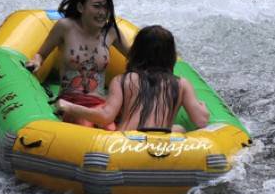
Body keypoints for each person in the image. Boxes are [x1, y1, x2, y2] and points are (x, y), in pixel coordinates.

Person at [55, 25, 209, 132]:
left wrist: (69, 106)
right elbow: (201, 121)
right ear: (171, 56)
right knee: (179, 129)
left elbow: (106, 117)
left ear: (136, 51)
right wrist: (202, 106)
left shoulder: (123, 80)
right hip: (162, 143)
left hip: (128, 142)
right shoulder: (181, 83)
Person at [25, 0, 131, 129]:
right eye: (97, 6)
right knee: (85, 123)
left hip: (99, 103)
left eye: (106, 7)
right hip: (71, 101)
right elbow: (41, 54)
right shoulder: (65, 27)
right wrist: (35, 62)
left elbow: (135, 57)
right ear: (81, 7)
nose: (102, 12)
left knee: (110, 129)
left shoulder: (111, 32)